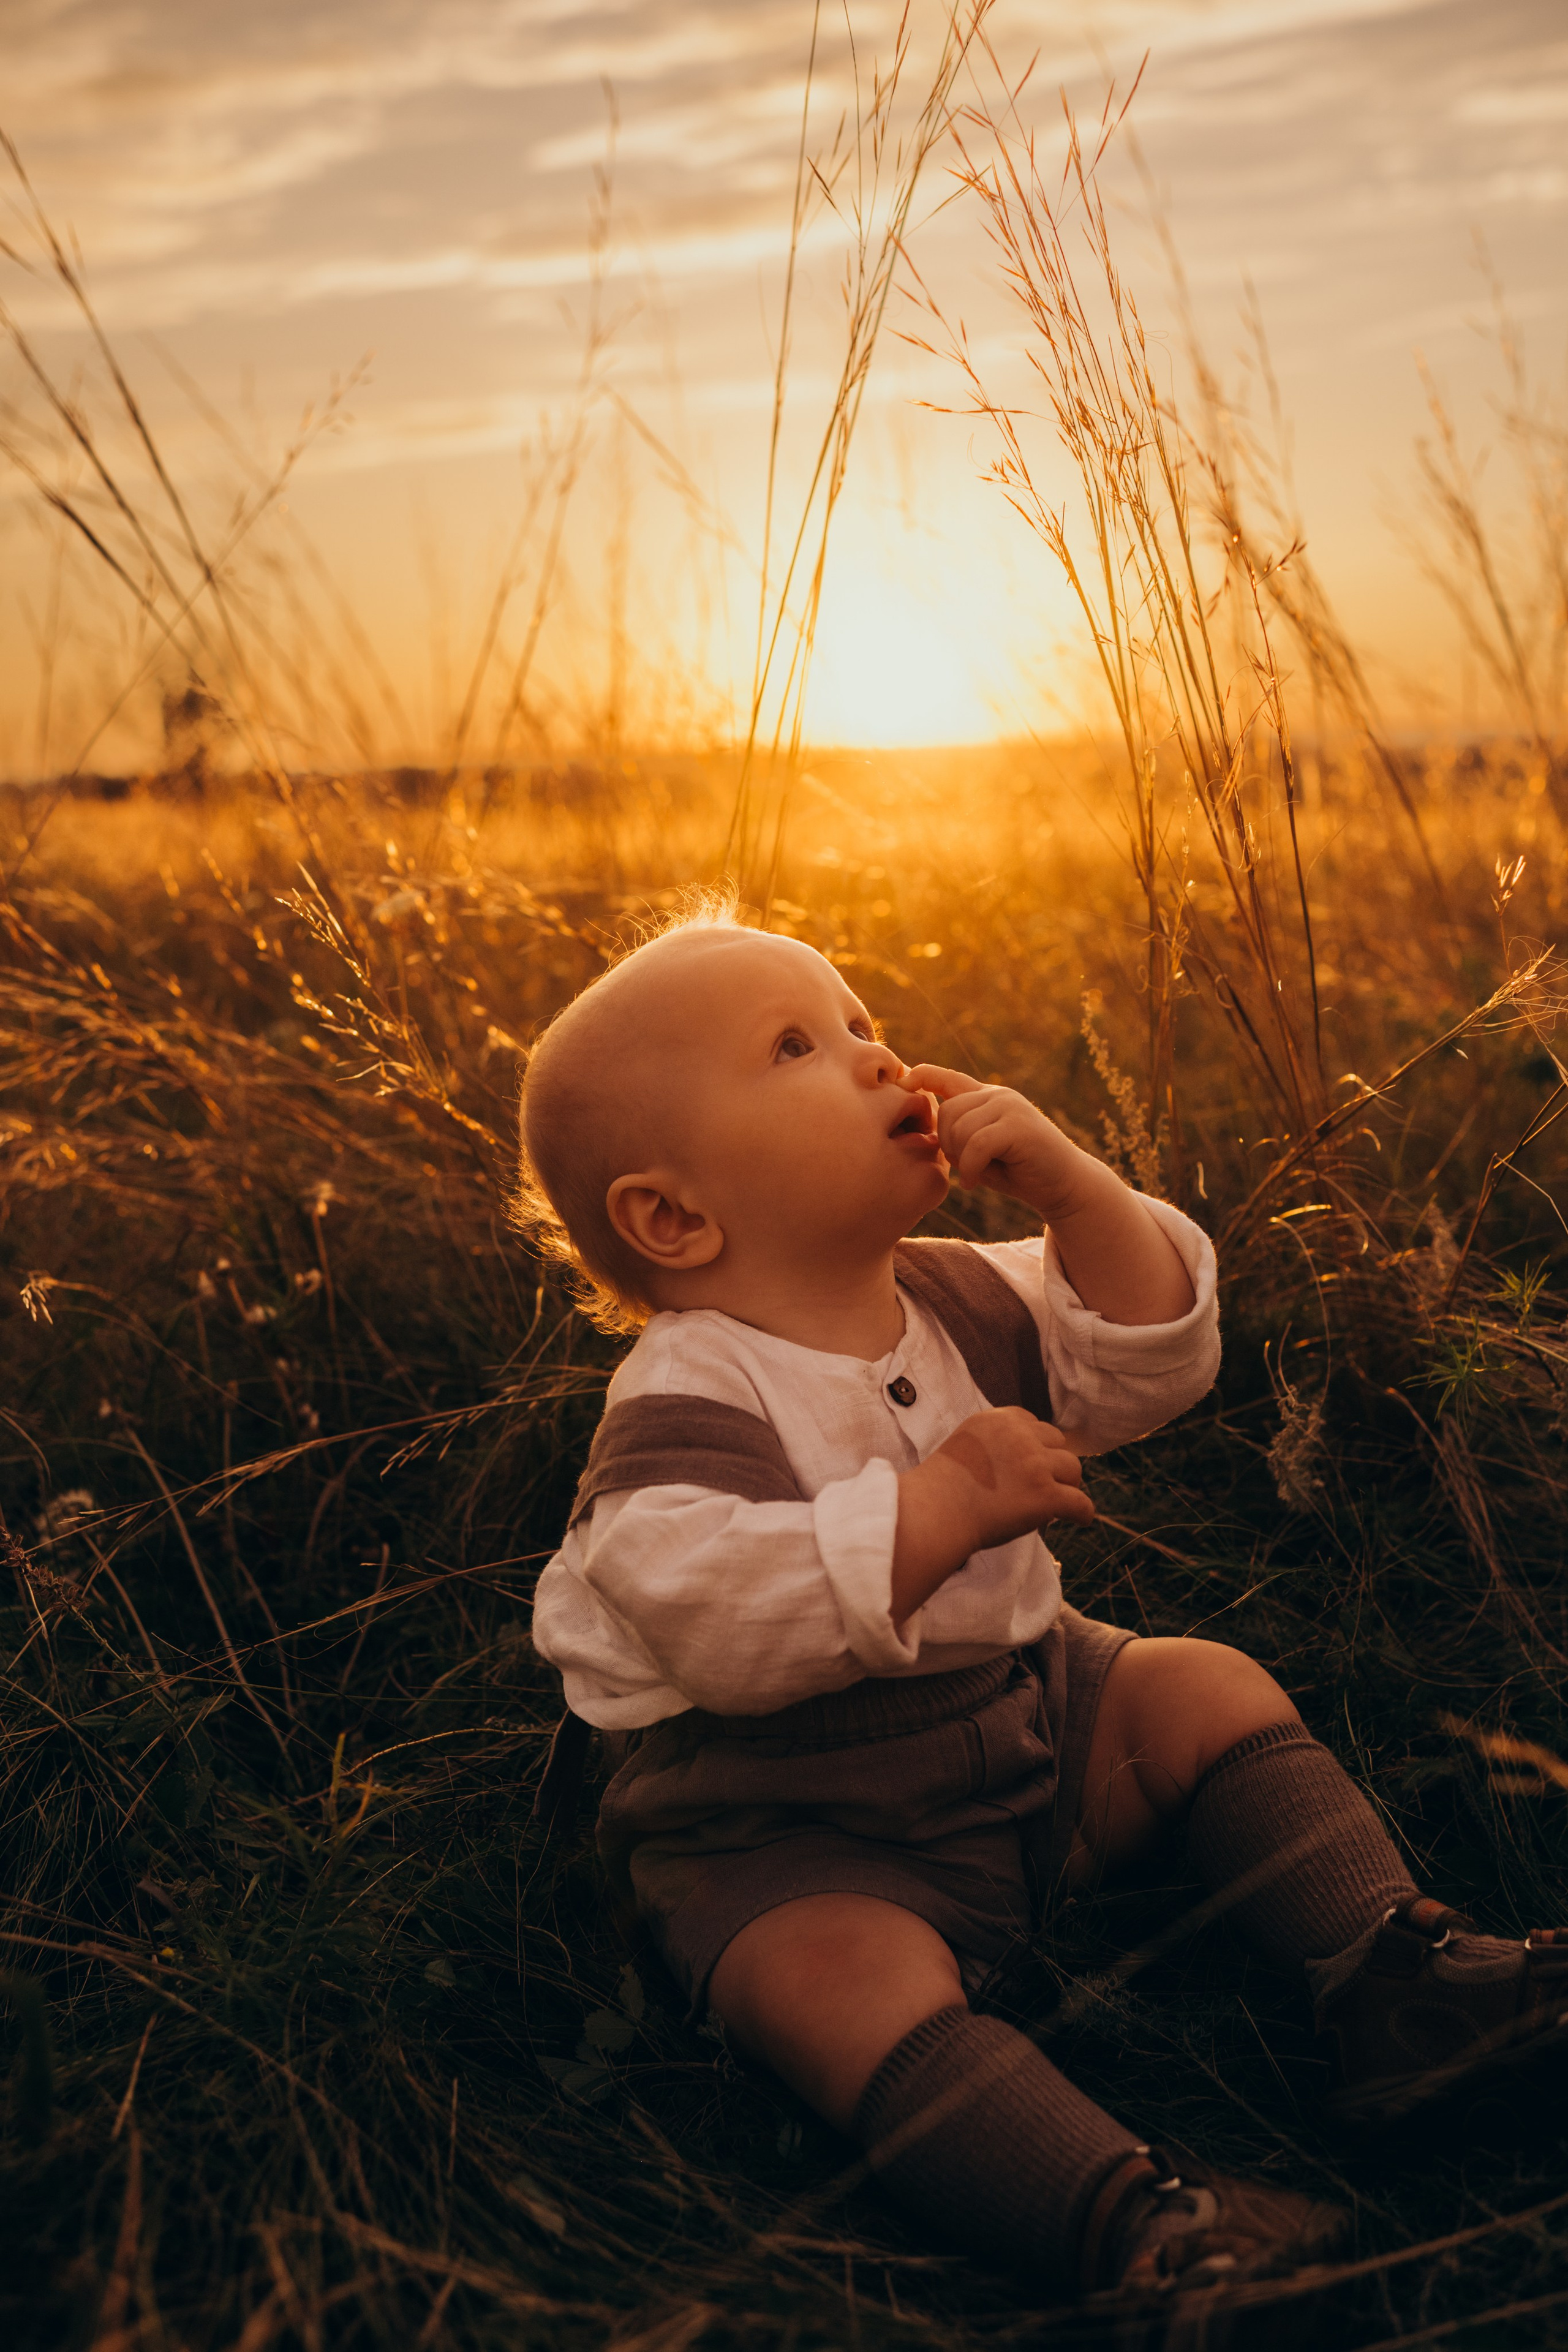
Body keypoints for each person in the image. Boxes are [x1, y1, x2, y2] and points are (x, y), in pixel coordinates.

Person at [519, 904, 1566, 2324]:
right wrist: (939, 1506)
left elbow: (1143, 1358)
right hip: (794, 1824)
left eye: (861, 1022)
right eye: (797, 1047)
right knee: (827, 1985)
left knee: (1196, 1688)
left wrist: (1074, 1191)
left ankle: (1394, 1976)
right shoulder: (687, 1391)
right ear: (674, 1216)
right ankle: (1133, 2221)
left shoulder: (951, 1295)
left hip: (1028, 1734)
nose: (878, 1059)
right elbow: (703, 1606)